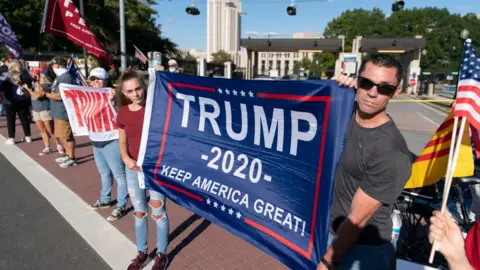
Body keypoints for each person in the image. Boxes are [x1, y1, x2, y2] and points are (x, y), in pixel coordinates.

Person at [318, 54, 412, 270]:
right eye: (366, 83)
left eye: (384, 88)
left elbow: (357, 220)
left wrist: (328, 261)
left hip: (362, 250)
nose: (372, 92)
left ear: (396, 92)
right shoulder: (345, 112)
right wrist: (338, 89)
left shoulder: (391, 151)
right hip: (330, 232)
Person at [116, 68, 169, 269]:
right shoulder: (122, 113)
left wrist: (163, 74)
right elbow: (122, 141)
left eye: (138, 89)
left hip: (154, 170)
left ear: (144, 87)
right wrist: (126, 158)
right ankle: (142, 252)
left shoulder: (155, 108)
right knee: (139, 212)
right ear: (124, 93)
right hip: (132, 169)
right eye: (129, 91)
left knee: (159, 213)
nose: (135, 94)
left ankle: (162, 254)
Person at [85, 67, 129, 221]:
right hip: (96, 140)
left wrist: (114, 99)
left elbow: (123, 112)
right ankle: (105, 200)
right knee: (104, 173)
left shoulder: (113, 93)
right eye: (92, 79)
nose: (95, 81)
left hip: (111, 139)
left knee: (119, 175)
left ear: (105, 80)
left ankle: (121, 205)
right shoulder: (88, 95)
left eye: (98, 78)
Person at [45, 57, 78, 168]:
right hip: (57, 111)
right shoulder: (61, 77)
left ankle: (72, 158)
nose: (52, 67)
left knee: (67, 136)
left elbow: (62, 96)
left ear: (57, 65)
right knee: (63, 136)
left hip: (63, 111)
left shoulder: (65, 77)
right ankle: (68, 155)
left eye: (53, 65)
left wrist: (46, 95)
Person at [22, 73, 64, 155]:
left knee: (50, 130)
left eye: (36, 76)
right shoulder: (33, 85)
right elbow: (28, 95)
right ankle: (47, 147)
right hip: (35, 110)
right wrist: (24, 89)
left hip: (45, 109)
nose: (34, 77)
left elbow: (37, 96)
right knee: (42, 130)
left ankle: (59, 145)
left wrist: (28, 88)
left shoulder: (46, 85)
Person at [0, 59, 32, 145]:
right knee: (24, 118)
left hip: (9, 101)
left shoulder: (5, 75)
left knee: (10, 120)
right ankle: (28, 136)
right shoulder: (25, 74)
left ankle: (11, 138)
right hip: (23, 99)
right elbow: (30, 84)